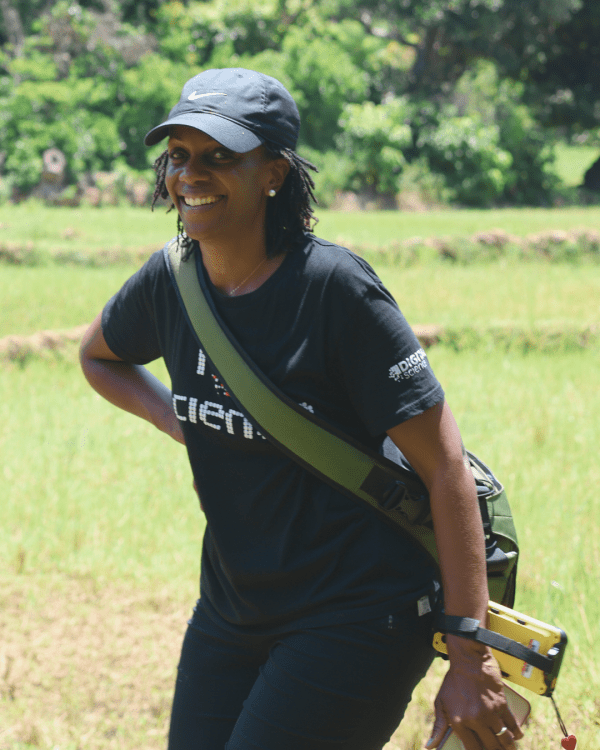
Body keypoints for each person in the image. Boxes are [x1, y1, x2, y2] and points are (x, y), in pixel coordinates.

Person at [79, 68, 523, 750]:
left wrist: (471, 655)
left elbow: (447, 469)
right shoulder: (172, 280)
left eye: (220, 156)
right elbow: (99, 356)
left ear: (275, 174)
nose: (189, 175)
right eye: (178, 156)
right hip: (232, 609)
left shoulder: (336, 292)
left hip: (357, 613)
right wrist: (184, 419)